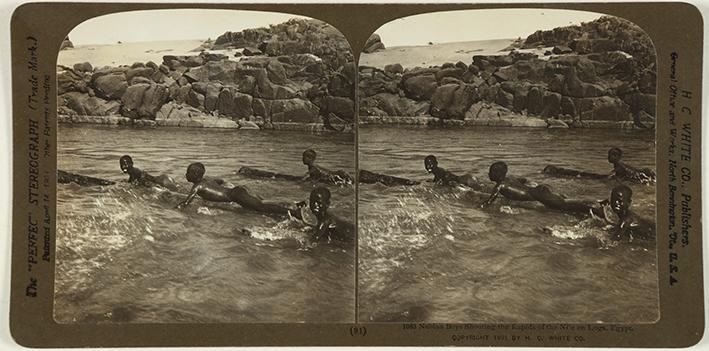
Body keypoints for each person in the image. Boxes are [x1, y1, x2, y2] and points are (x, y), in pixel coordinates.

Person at [176, 162, 296, 216]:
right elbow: (221, 181)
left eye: (188, 173)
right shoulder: (207, 180)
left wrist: (172, 209)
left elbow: (186, 203)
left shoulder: (198, 186)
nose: (185, 175)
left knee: (260, 208)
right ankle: (292, 205)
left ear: (195, 175)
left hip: (236, 196)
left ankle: (295, 213)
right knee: (262, 204)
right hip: (238, 191)